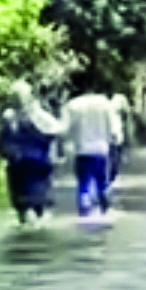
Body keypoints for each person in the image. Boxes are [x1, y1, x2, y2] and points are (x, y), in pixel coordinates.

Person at [0, 81, 61, 224]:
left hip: (19, 164)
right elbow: (56, 131)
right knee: (40, 203)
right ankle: (37, 231)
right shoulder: (39, 115)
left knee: (23, 204)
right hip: (39, 163)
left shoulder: (9, 116)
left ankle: (29, 229)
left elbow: (1, 140)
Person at [61, 76, 122, 217]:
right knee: (102, 180)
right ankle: (104, 200)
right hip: (101, 149)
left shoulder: (72, 105)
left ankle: (84, 204)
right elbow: (114, 128)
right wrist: (116, 141)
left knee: (83, 182)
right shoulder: (106, 104)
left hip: (82, 150)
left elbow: (65, 129)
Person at [108, 92, 131, 188]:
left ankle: (112, 176)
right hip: (114, 137)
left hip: (116, 137)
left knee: (115, 157)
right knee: (114, 157)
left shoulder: (120, 114)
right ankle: (111, 176)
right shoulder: (112, 112)